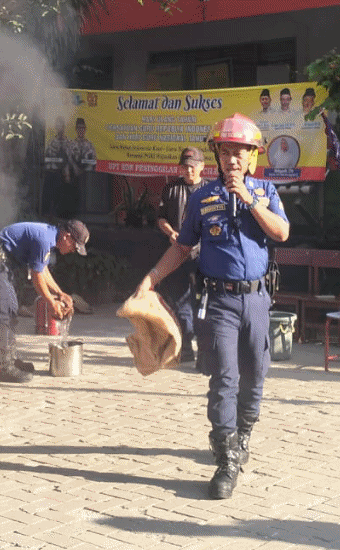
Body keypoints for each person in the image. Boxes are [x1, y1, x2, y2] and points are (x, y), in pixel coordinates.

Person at [136, 113, 289, 499]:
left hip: (256, 300)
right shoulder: (202, 198)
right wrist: (151, 278)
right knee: (224, 377)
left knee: (255, 373)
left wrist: (249, 199)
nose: (233, 160)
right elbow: (183, 247)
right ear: (217, 156)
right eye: (225, 152)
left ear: (253, 157)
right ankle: (226, 457)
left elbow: (282, 233)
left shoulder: (266, 192)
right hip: (218, 301)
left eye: (240, 152)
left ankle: (244, 433)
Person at [0, 219, 89, 383]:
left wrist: (60, 293)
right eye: (74, 246)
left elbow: (43, 270)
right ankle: (3, 368)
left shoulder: (48, 238)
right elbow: (36, 277)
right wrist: (51, 302)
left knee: (11, 308)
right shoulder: (44, 239)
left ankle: (10, 360)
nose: (72, 251)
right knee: (4, 310)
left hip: (4, 263)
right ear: (67, 237)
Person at [156, 147, 205, 363]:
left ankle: (206, 348)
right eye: (185, 166)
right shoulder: (171, 189)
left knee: (205, 301)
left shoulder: (210, 190)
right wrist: (171, 232)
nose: (189, 170)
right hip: (177, 252)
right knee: (181, 301)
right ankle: (185, 347)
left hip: (204, 254)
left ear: (202, 167)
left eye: (193, 165)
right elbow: (161, 218)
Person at [64, 118, 96, 217]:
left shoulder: (89, 145)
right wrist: (68, 173)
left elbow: (93, 160)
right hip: (74, 175)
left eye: (82, 128)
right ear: (76, 129)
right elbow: (68, 159)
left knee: (87, 197)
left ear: (85, 129)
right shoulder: (71, 144)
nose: (80, 130)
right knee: (73, 197)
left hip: (87, 175)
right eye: (78, 128)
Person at [43, 117, 72, 216]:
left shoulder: (67, 142)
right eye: (57, 126)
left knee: (61, 198)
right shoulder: (52, 141)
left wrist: (67, 175)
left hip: (62, 175)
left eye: (61, 126)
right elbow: (47, 155)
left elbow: (69, 159)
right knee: (49, 196)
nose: (59, 128)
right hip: (51, 172)